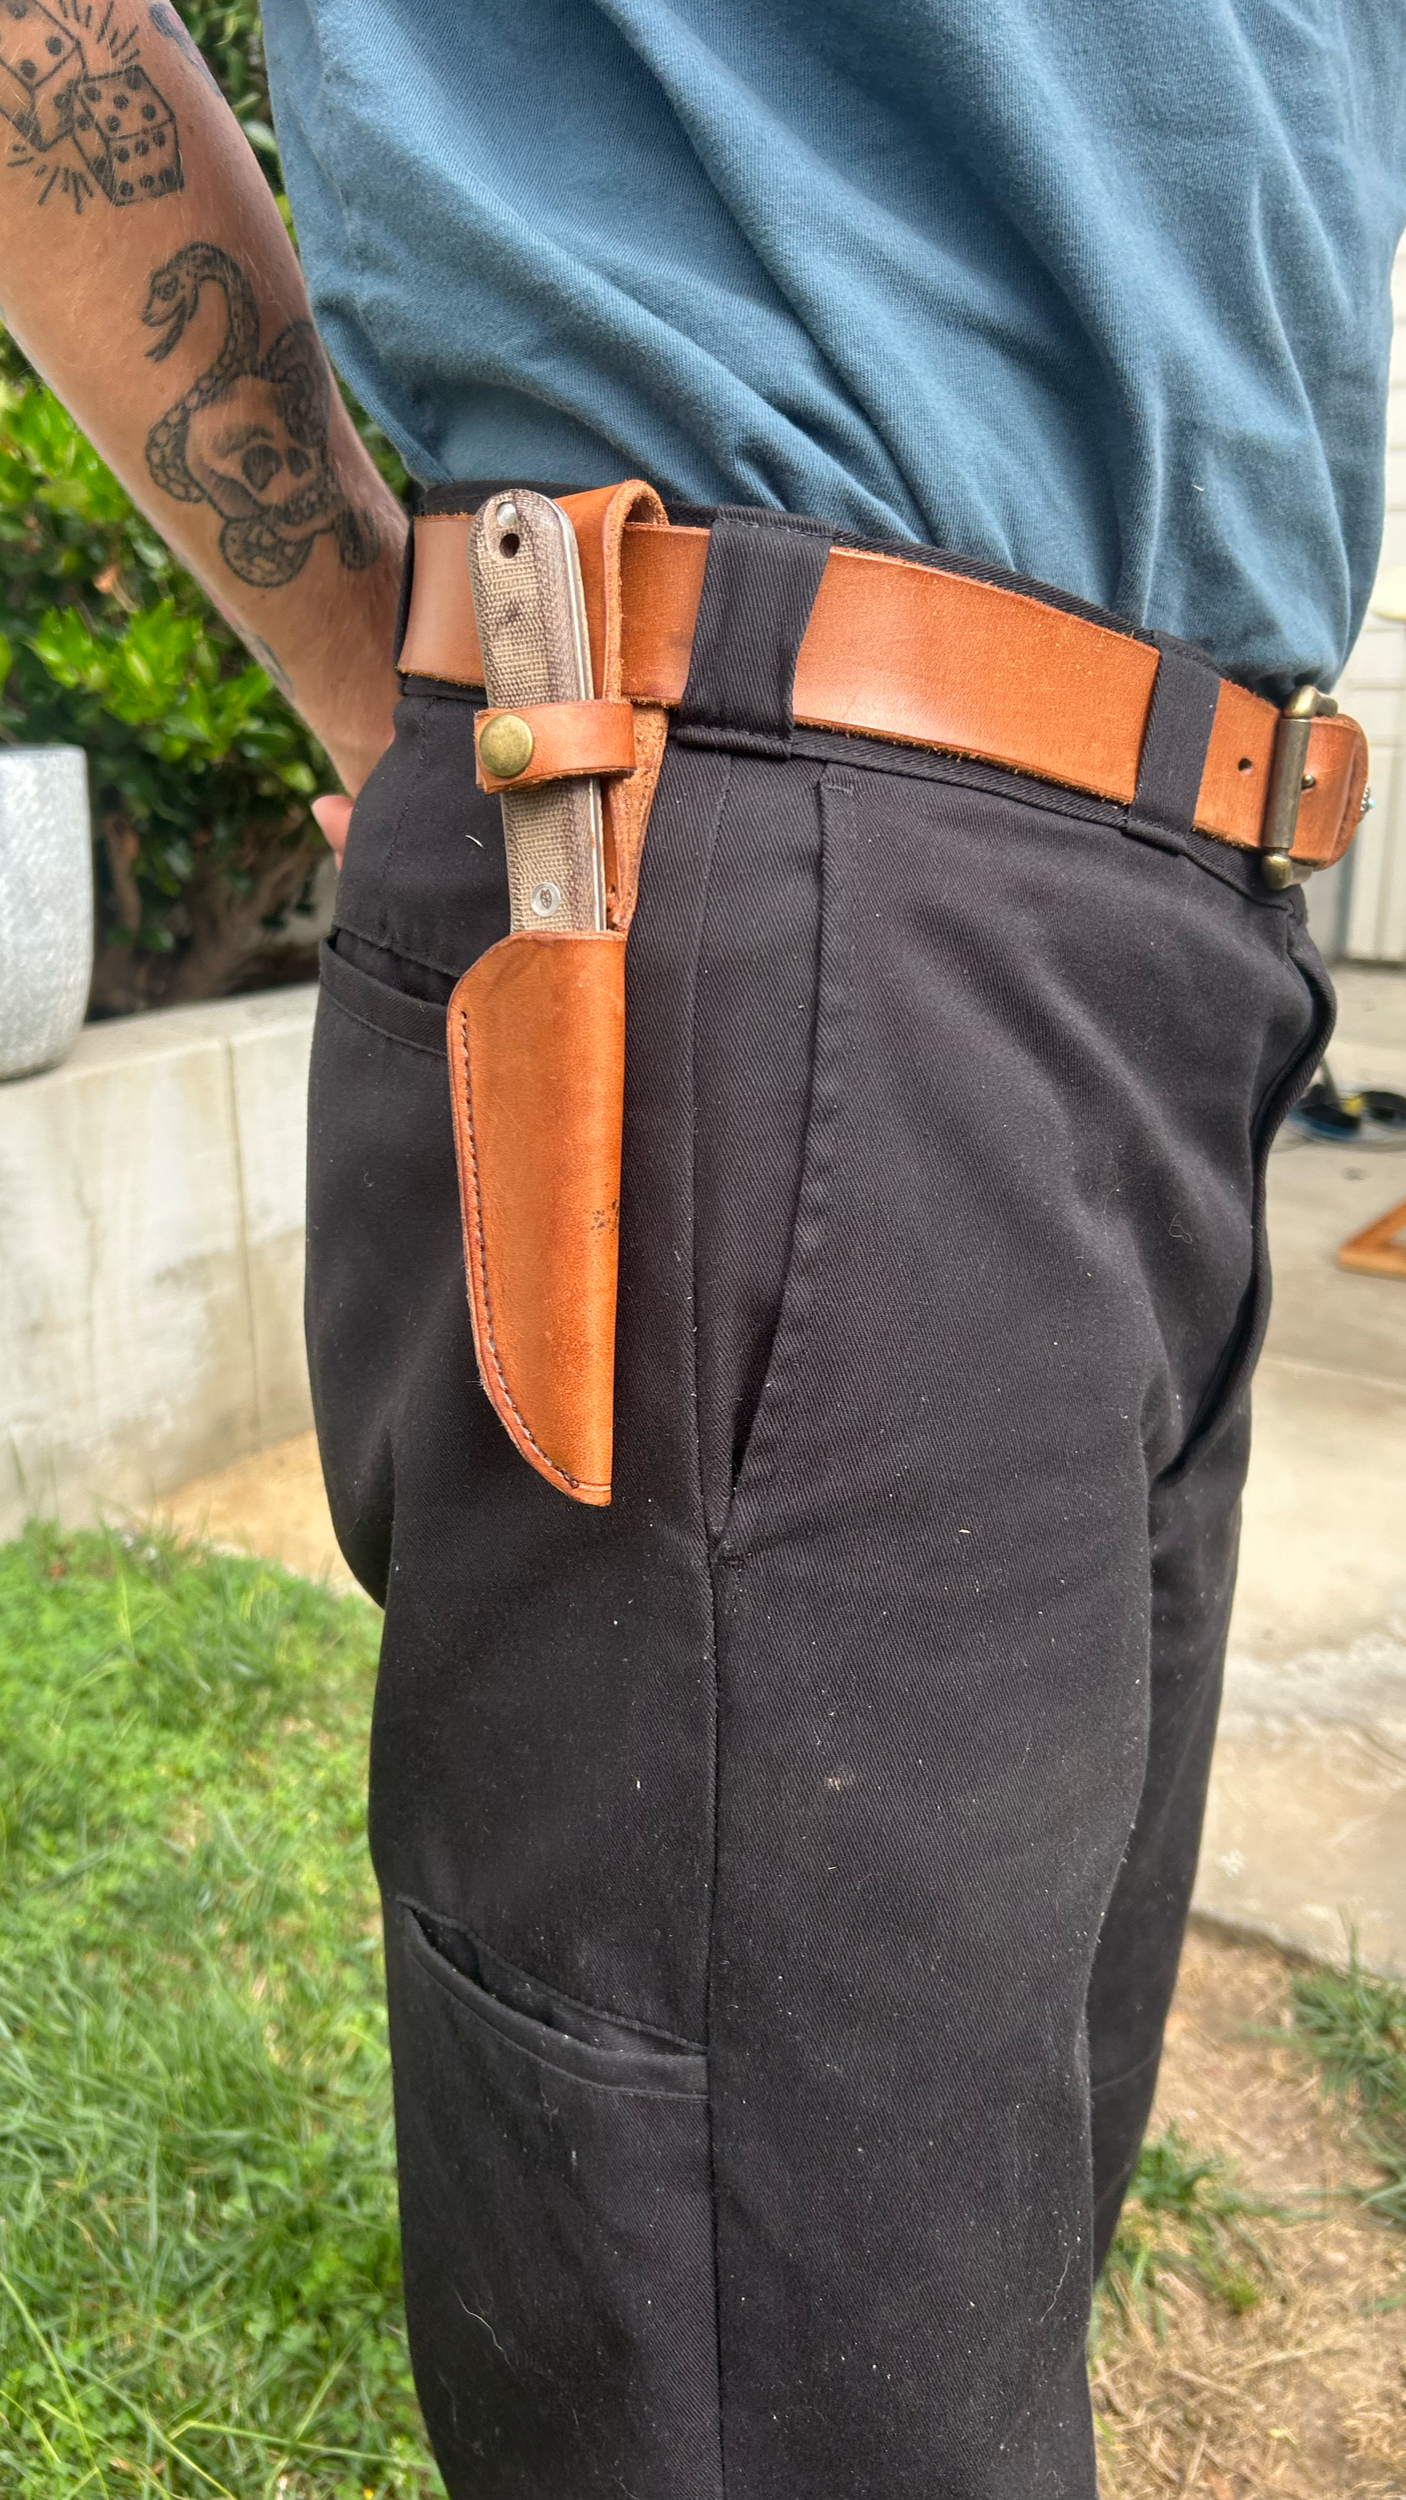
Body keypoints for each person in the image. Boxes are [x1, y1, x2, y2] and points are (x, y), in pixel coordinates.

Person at [2, 4, 1401, 2491]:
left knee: (950, 2238)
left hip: (1173, 936)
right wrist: (409, 672)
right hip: (765, 833)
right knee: (782, 2382)